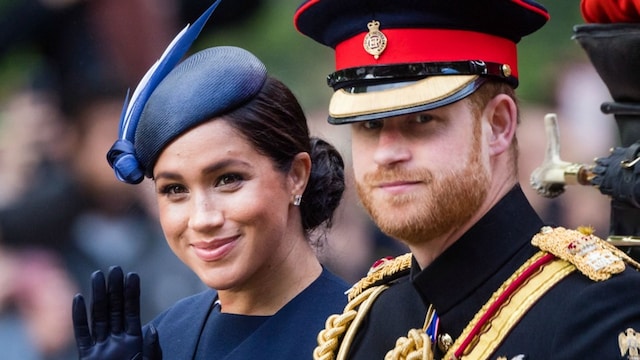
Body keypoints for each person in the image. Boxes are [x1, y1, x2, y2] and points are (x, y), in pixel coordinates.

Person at [294, 0, 640, 359]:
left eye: (421, 120)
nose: (386, 153)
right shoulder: (370, 318)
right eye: (369, 125)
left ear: (499, 125)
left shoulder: (597, 311)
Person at [71, 2, 348, 359]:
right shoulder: (162, 338)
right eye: (174, 190)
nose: (202, 218)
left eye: (228, 179)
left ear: (296, 176)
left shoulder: (367, 332)